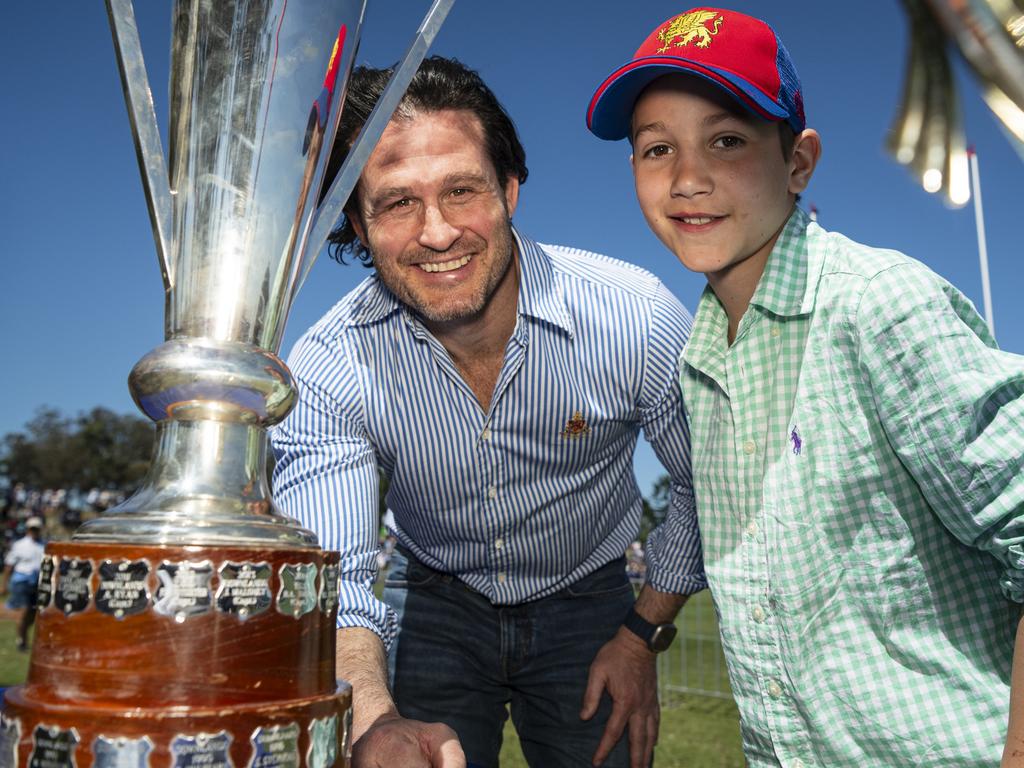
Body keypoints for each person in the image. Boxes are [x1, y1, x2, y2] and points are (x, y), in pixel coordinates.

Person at [586, 7, 1024, 766]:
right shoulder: (698, 359)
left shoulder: (879, 305)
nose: (688, 178)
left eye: (726, 140)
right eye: (658, 149)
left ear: (798, 162)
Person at [272, 56, 706, 768]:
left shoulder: (635, 315)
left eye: (462, 190)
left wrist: (640, 638)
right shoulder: (325, 366)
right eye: (397, 202)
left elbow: (700, 481)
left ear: (508, 190)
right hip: (433, 600)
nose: (437, 233)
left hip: (593, 603)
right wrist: (374, 718)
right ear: (359, 218)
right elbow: (336, 577)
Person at [2, 516, 45, 651]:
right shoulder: (19, 545)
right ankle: (22, 642)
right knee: (24, 611)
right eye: (32, 529)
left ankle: (23, 635)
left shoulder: (44, 545)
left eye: (36, 529)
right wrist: (4, 584)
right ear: (28, 529)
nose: (34, 531)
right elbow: (9, 566)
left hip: (36, 583)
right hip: (21, 582)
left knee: (32, 614)